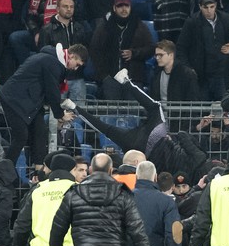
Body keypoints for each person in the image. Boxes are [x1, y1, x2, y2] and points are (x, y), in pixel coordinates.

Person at [64, 69, 210, 183]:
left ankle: (126, 81)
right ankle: (74, 106)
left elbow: (183, 135)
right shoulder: (189, 179)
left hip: (158, 135)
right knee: (106, 129)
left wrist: (174, 138)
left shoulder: (200, 157)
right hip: (143, 151)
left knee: (155, 106)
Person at [0, 43, 86, 165]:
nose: (75, 69)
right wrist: (60, 114)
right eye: (77, 65)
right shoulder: (52, 63)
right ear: (71, 56)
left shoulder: (52, 60)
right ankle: (3, 170)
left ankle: (38, 172)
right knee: (21, 137)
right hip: (14, 100)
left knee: (39, 134)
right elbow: (52, 90)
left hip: (29, 101)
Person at [176, 0, 229, 100]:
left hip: (221, 73)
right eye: (205, 7)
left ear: (216, 5)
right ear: (199, 7)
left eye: (212, 7)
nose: (209, 11)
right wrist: (189, 68)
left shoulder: (226, 19)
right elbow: (181, 48)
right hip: (201, 75)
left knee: (224, 106)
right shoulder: (192, 22)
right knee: (202, 109)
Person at [88, 0, 154, 92]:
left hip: (134, 77)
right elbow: (94, 51)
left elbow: (151, 48)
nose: (124, 9)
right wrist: (104, 76)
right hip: (110, 77)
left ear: (130, 7)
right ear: (114, 8)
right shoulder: (104, 27)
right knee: (112, 107)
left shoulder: (139, 26)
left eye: (126, 6)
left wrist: (134, 53)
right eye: (120, 6)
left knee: (132, 107)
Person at [38, 0, 89, 103]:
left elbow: (84, 53)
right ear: (57, 9)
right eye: (65, 6)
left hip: (77, 77)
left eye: (71, 7)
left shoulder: (80, 28)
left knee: (80, 114)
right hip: (57, 80)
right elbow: (42, 56)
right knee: (56, 115)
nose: (69, 9)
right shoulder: (47, 30)